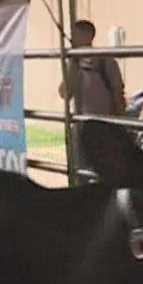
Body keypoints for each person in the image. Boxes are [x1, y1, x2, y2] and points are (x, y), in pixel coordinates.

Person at [58, 20, 126, 174]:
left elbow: (117, 94)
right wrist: (72, 64)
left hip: (104, 126)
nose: (72, 38)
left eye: (76, 34)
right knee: (81, 170)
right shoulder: (74, 64)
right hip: (81, 127)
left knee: (105, 171)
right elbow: (64, 93)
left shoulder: (106, 61)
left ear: (88, 36)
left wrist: (120, 123)